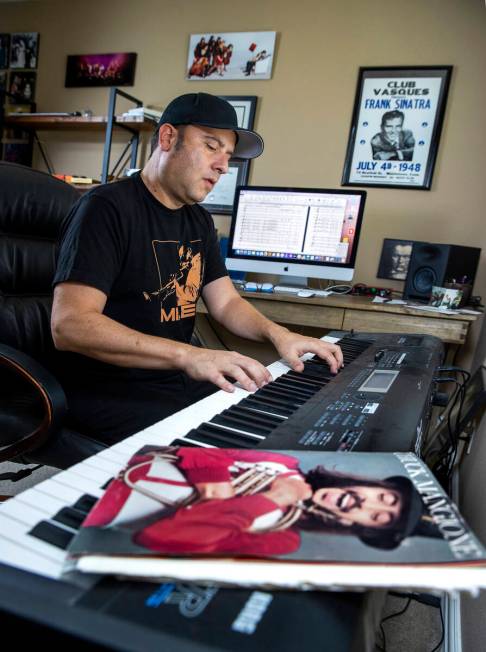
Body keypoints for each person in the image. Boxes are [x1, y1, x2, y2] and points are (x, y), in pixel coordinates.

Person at [51, 93, 343, 445]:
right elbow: (69, 325)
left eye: (228, 156)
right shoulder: (105, 208)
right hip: (109, 391)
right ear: (168, 138)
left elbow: (226, 304)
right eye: (211, 146)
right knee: (223, 456)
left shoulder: (199, 221)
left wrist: (280, 335)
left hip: (173, 381)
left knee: (273, 425)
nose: (223, 165)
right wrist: (191, 355)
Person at [83, 447, 426, 555]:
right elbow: (197, 453)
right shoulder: (284, 463)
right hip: (120, 460)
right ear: (365, 485)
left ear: (358, 526)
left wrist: (275, 498)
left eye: (378, 517)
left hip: (98, 507)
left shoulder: (283, 538)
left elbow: (161, 537)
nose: (363, 504)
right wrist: (214, 486)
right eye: (382, 497)